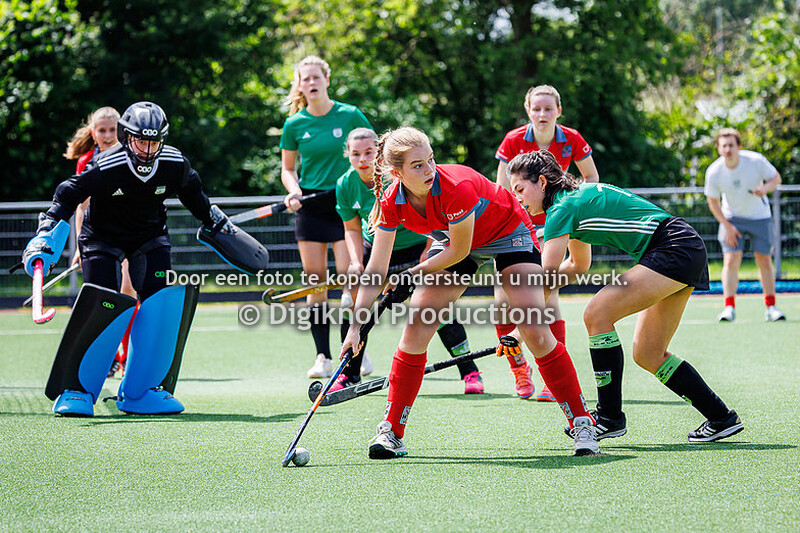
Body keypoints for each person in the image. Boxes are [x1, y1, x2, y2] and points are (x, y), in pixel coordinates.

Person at [341, 127, 599, 459]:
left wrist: (410, 276)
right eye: (418, 166)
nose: (430, 170)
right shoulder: (391, 202)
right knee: (416, 328)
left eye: (431, 159)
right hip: (452, 240)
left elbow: (461, 252)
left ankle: (581, 420)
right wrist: (355, 328)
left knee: (533, 328)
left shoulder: (455, 188)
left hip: (506, 231)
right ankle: (392, 430)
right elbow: (375, 269)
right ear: (397, 173)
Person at [20, 101, 268, 417]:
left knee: (159, 302)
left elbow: (196, 198)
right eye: (141, 140)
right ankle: (77, 390)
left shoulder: (175, 164)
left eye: (155, 141)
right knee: (103, 303)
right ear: (127, 136)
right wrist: (46, 235)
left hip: (149, 238)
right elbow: (67, 194)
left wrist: (217, 224)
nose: (148, 148)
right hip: (102, 239)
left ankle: (141, 391)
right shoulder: (106, 166)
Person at [507, 150, 743, 443]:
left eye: (520, 189)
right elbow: (576, 266)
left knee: (597, 314)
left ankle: (608, 418)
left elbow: (547, 276)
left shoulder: (560, 209)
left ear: (542, 182)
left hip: (671, 247)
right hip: (681, 247)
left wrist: (520, 330)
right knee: (648, 353)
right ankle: (721, 417)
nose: (517, 198)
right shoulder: (572, 200)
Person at [333, 128, 484, 394]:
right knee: (357, 301)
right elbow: (352, 229)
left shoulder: (409, 178)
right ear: (348, 156)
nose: (363, 159)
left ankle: (469, 370)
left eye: (369, 152)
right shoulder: (346, 184)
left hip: (417, 247)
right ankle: (349, 374)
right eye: (356, 154)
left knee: (435, 305)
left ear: (380, 158)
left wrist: (430, 252)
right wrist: (356, 262)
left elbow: (433, 220)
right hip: (379, 248)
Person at [494, 84, 600, 402]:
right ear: (528, 111)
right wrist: (521, 222)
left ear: (558, 111)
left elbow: (591, 178)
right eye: (536, 109)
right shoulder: (513, 140)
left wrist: (564, 204)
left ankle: (550, 378)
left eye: (548, 108)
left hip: (553, 221)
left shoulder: (572, 138)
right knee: (502, 302)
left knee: (548, 296)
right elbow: (502, 189)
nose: (542, 114)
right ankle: (519, 369)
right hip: (516, 223)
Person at [279, 55, 373, 379]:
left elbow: (374, 151)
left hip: (345, 204)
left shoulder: (350, 115)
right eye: (305, 79)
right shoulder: (294, 124)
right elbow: (288, 169)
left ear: (327, 79)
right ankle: (323, 356)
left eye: (316, 77)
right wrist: (293, 191)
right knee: (315, 282)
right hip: (310, 207)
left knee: (351, 279)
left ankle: (357, 347)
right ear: (300, 85)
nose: (311, 83)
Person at [63, 106, 136, 378]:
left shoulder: (133, 156)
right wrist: (82, 247)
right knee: (104, 298)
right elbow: (81, 207)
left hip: (130, 235)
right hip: (100, 238)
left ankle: (127, 357)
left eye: (112, 129)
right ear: (93, 133)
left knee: (128, 293)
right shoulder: (86, 162)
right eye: (101, 130)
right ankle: (106, 356)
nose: (107, 135)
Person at [704, 128, 785, 322]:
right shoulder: (714, 171)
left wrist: (764, 188)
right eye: (724, 145)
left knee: (764, 260)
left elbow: (776, 178)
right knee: (731, 260)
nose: (728, 149)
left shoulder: (755, 161)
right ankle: (729, 308)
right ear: (718, 148)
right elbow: (713, 202)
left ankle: (771, 307)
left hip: (760, 217)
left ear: (739, 146)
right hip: (731, 219)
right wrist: (727, 225)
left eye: (731, 145)